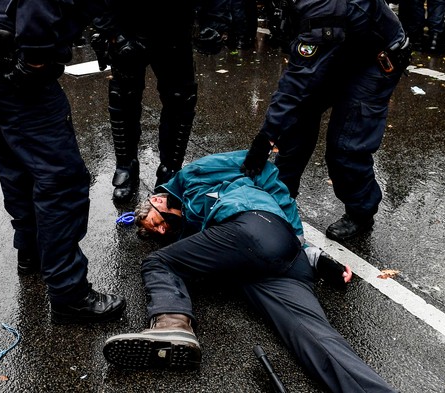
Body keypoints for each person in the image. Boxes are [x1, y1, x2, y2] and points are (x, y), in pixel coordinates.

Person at [102, 151, 397, 392]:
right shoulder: (190, 230)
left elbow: (263, 168)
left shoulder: (192, 175)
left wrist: (296, 234)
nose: (163, 229)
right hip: (269, 267)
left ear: (155, 200)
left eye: (155, 222)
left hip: (257, 226)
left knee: (158, 262)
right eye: (159, 232)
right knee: (312, 338)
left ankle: (171, 327)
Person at [0, 0, 126, 324]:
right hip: (5, 51)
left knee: (14, 157)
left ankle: (31, 252)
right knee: (61, 178)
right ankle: (68, 293)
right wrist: (35, 60)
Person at [240, 0, 412, 242]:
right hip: (338, 47)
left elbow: (296, 83)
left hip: (373, 60)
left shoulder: (323, 5)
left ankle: (361, 212)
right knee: (296, 120)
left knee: (345, 144)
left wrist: (265, 138)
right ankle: (280, 195)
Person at [91, 1, 198, 203]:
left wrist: (214, 22)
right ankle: (126, 165)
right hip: (126, 25)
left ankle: (171, 169)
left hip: (175, 25)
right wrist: (111, 30)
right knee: (123, 98)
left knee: (180, 99)